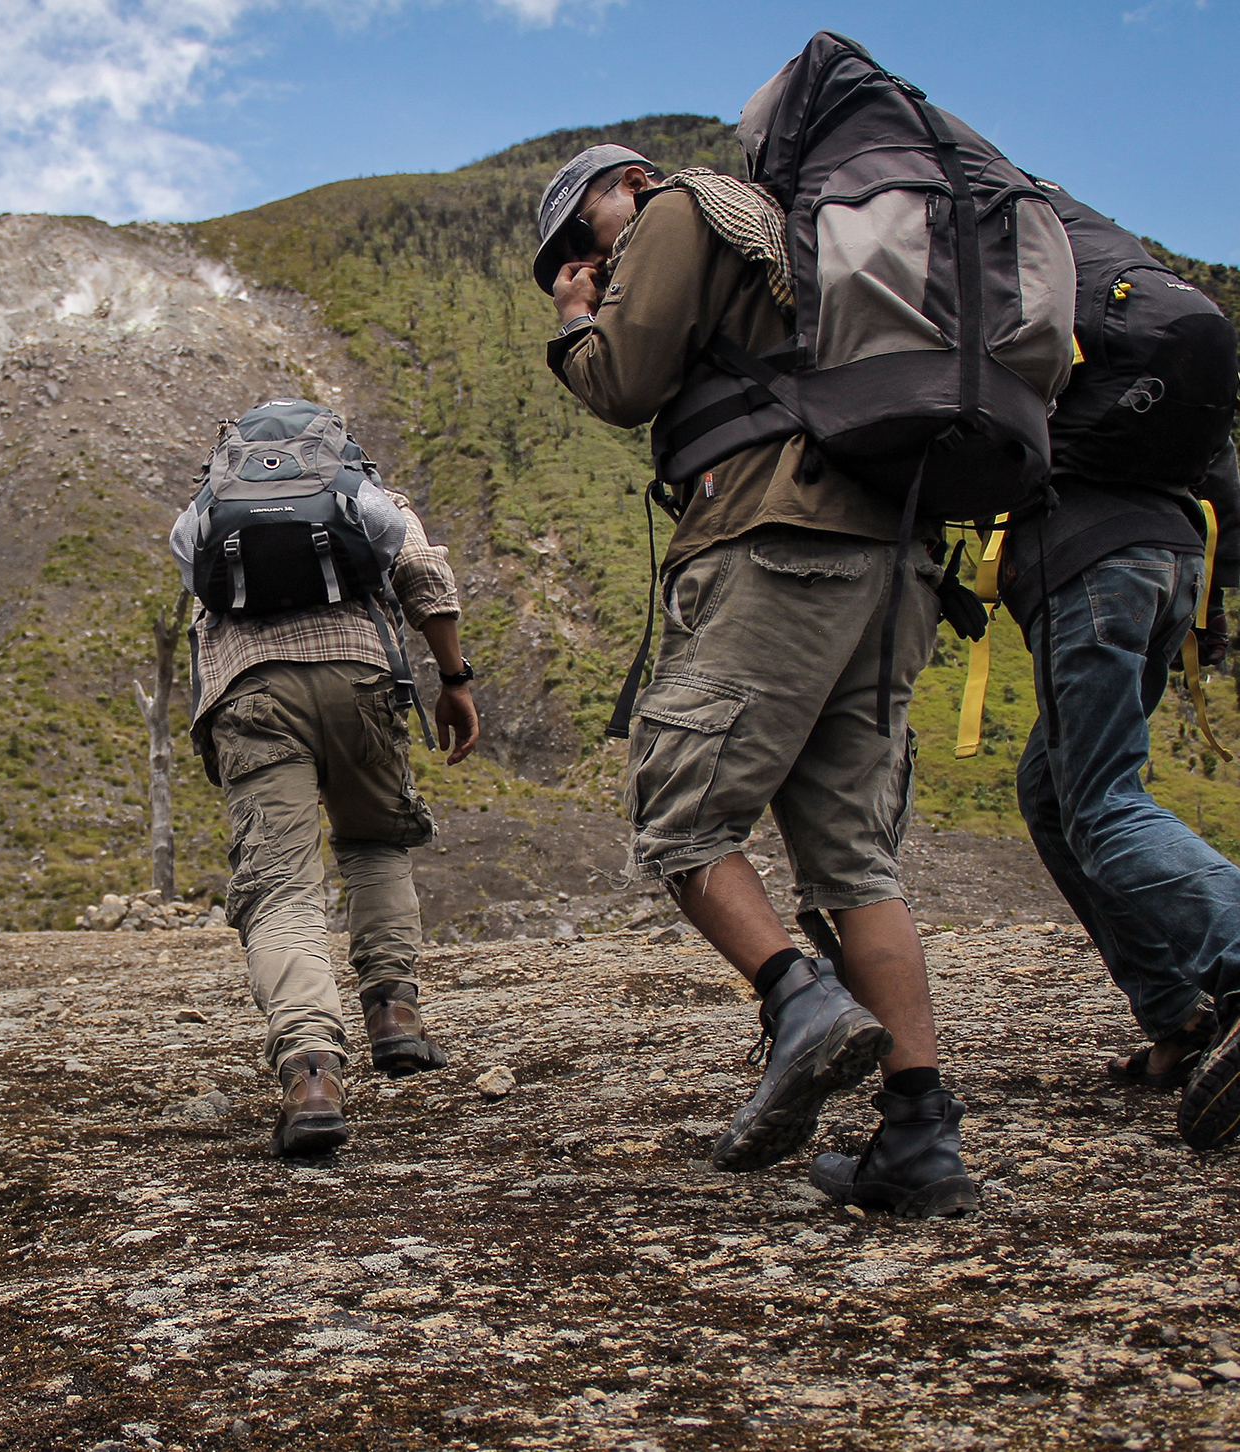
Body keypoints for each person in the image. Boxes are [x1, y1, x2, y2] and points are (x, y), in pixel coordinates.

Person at [535, 141, 978, 1216]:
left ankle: (796, 999)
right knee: (851, 857)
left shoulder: (679, 210)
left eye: (571, 237)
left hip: (777, 541)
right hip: (892, 559)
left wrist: (574, 320)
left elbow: (623, 384)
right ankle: (918, 1136)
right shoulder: (787, 234)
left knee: (679, 814)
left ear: (621, 188)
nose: (572, 260)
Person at [172, 400, 479, 1157]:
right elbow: (422, 575)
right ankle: (393, 1014)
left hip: (249, 691)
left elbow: (196, 591)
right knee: (374, 841)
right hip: (360, 678)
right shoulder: (362, 491)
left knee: (279, 887)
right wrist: (454, 679)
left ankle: (311, 1072)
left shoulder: (212, 500)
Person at [1010, 421, 1240, 1151]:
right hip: (1173, 556)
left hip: (1090, 559)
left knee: (1101, 802)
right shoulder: (1147, 319)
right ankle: (1177, 1016)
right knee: (1051, 792)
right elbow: (1218, 461)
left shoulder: (1041, 321)